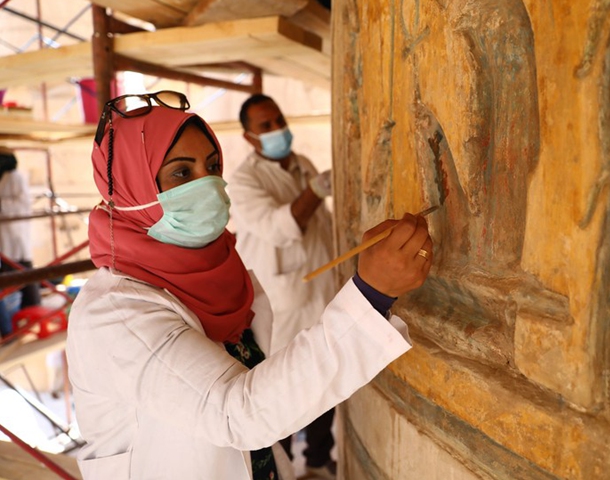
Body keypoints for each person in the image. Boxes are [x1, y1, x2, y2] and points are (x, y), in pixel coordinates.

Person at [66, 91, 434, 480]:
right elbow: (237, 414)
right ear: (130, 188)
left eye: (212, 166)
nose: (208, 184)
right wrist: (371, 295)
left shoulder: (219, 274)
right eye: (182, 173)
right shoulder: (115, 313)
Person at [228, 94, 338, 478]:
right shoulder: (244, 180)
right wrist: (315, 191)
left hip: (321, 289)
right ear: (249, 137)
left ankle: (319, 458)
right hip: (283, 302)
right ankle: (284, 467)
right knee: (285, 387)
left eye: (279, 121)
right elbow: (280, 227)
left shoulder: (302, 164)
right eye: (266, 126)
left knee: (326, 377)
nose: (278, 129)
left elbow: (323, 225)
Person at [0, 148, 41, 315]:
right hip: (4, 233)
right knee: (9, 270)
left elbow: (22, 203)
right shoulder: (2, 177)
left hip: (15, 232)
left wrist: (2, 204)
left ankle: (32, 307)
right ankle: (16, 313)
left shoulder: (16, 177)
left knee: (22, 268)